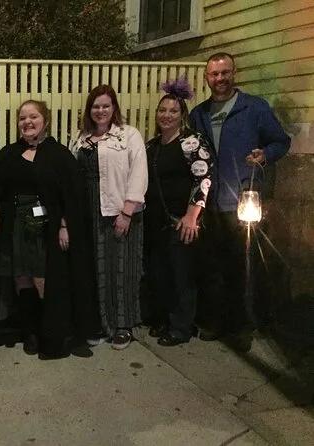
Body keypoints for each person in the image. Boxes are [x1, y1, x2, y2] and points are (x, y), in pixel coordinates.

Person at [189, 53, 291, 352]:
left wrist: (265, 155)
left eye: (224, 73)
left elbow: (281, 141)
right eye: (214, 74)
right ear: (207, 78)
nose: (219, 79)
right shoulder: (199, 114)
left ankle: (242, 325)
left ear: (234, 73)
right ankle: (216, 321)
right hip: (210, 203)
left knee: (244, 267)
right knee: (213, 266)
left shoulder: (254, 108)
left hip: (242, 203)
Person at [0, 100, 96, 360]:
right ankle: (30, 331)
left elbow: (71, 195)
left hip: (47, 228)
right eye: (22, 118)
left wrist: (64, 225)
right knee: (21, 279)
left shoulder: (59, 155)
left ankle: (48, 330)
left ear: (45, 120)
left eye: (33, 117)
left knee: (43, 280)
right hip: (16, 226)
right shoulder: (9, 154)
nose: (27, 122)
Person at [68, 85, 148, 351]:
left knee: (121, 270)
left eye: (105, 105)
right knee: (95, 269)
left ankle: (122, 326)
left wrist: (127, 211)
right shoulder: (80, 138)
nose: (100, 110)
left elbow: (139, 173)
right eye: (95, 106)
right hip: (89, 211)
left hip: (119, 210)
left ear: (114, 108)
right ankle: (100, 324)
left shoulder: (128, 135)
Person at [144, 78, 214, 346]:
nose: (167, 115)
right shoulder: (152, 146)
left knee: (182, 276)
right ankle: (163, 318)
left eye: (173, 111)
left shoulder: (192, 142)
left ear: (182, 114)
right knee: (160, 273)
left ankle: (181, 327)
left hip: (182, 220)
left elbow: (203, 179)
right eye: (163, 110)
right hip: (156, 221)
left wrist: (191, 216)